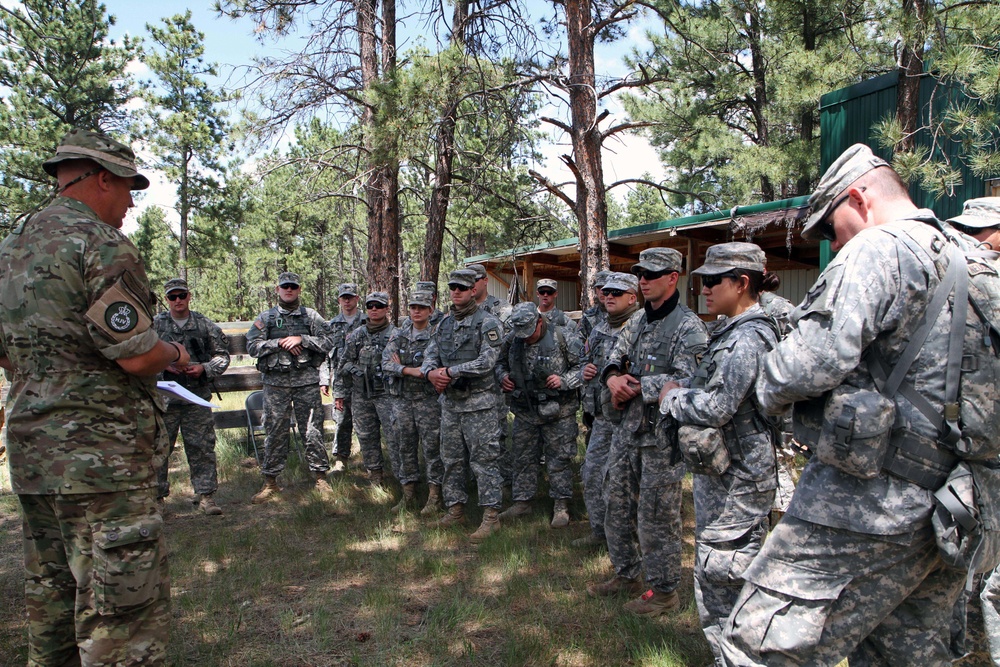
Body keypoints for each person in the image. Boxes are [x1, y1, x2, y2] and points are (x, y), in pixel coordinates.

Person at [720, 144, 995, 665]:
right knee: (906, 654)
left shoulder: (880, 248)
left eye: (830, 227)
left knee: (758, 647)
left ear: (859, 198)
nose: (832, 241)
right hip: (958, 504)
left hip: (866, 504)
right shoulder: (977, 259)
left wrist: (767, 383)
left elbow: (805, 366)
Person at [0, 128, 187, 666]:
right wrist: (171, 354)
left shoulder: (12, 247)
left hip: (35, 456)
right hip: (101, 463)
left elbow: (7, 352)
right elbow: (135, 355)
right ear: (101, 177)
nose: (130, 202)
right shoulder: (99, 244)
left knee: (51, 603)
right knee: (120, 621)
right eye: (129, 187)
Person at [658, 243, 781, 663]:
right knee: (715, 568)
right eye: (702, 281)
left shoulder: (749, 336)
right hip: (723, 474)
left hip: (740, 480)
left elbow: (718, 406)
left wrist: (671, 399)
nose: (704, 289)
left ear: (742, 283)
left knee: (728, 573)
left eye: (713, 281)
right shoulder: (729, 330)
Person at [587, 247, 708, 617]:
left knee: (657, 516)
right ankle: (627, 574)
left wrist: (639, 384)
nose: (644, 280)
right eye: (641, 272)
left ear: (673, 277)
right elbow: (613, 355)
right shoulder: (637, 321)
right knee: (616, 503)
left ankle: (665, 590)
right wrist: (612, 378)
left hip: (662, 437)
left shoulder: (689, 327)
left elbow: (695, 380)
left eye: (652, 274)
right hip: (627, 430)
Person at [945, 197, 1000, 662]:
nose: (975, 243)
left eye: (982, 233)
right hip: (974, 458)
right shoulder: (972, 287)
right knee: (966, 573)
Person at [421, 268, 506, 542]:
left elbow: (487, 362)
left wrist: (450, 372)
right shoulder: (443, 324)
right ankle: (455, 509)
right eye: (452, 288)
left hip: (479, 405)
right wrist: (430, 373)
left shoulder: (488, 323)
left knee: (484, 461)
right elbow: (430, 355)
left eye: (461, 288)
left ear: (473, 290)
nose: (456, 292)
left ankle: (491, 517)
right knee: (452, 460)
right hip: (451, 406)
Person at [246, 272, 334, 503]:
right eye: (284, 286)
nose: (289, 290)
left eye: (293, 287)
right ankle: (270, 481)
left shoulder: (311, 316)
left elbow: (329, 341)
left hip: (306, 383)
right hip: (276, 386)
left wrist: (302, 339)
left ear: (299, 289)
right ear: (277, 289)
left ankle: (320, 477)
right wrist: (279, 343)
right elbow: (252, 346)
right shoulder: (266, 318)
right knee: (275, 431)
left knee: (312, 431)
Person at [496, 302, 585, 528]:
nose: (525, 338)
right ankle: (522, 502)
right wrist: (503, 376)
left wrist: (564, 381)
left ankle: (561, 505)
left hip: (558, 412)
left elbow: (584, 368)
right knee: (523, 457)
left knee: (559, 459)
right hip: (525, 411)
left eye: (529, 332)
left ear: (539, 321)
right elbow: (499, 363)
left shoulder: (563, 337)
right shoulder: (513, 340)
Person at [574, 272, 641, 548]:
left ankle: (629, 539)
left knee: (624, 483)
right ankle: (600, 533)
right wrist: (584, 368)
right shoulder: (600, 327)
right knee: (591, 474)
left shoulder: (642, 328)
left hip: (632, 419)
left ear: (632, 297)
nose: (609, 297)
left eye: (617, 293)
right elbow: (583, 357)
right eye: (607, 292)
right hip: (602, 418)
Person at [154, 277, 230, 515]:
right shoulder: (154, 326)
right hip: (163, 398)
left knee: (201, 446)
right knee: (158, 448)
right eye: (172, 297)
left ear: (189, 296)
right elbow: (141, 357)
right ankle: (156, 500)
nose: (178, 301)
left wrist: (203, 369)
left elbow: (222, 356)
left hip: (195, 397)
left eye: (182, 295)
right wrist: (163, 365)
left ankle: (206, 496)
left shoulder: (204, 324)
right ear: (166, 299)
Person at [383, 290, 442, 513]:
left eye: (422, 308)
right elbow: (386, 364)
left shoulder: (436, 334)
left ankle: (434, 496)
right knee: (404, 447)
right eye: (413, 307)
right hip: (402, 401)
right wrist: (412, 371)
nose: (416, 311)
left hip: (427, 402)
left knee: (432, 448)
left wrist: (403, 369)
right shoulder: (398, 334)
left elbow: (432, 366)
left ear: (430, 310)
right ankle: (408, 494)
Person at [334, 291, 398, 487]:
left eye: (379, 306)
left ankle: (402, 477)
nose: (374, 310)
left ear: (387, 309)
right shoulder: (357, 335)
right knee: (366, 436)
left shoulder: (396, 335)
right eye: (370, 306)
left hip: (387, 395)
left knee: (395, 436)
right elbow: (343, 364)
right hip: (361, 395)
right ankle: (375, 474)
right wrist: (340, 392)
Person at [320, 283, 366, 472]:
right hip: (341, 381)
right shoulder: (332, 326)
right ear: (339, 300)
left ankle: (370, 460)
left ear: (357, 298)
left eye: (350, 297)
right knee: (341, 420)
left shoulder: (366, 322)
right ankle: (341, 459)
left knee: (365, 421)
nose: (347, 301)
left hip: (364, 381)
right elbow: (325, 355)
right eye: (343, 298)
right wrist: (324, 379)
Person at [580, 269, 610, 341]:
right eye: (599, 288)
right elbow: (578, 341)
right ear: (596, 290)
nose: (602, 291)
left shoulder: (624, 315)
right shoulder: (589, 315)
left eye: (606, 287)